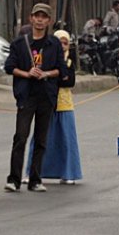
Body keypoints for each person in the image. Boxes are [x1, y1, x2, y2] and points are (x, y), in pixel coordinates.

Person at [4, 3, 66, 193]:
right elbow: (9, 67)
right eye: (36, 16)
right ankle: (14, 179)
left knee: (41, 139)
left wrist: (46, 74)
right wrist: (27, 73)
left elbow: (61, 70)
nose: (40, 20)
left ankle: (35, 179)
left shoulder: (54, 44)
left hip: (46, 96)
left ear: (49, 21)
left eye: (44, 17)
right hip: (26, 96)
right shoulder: (19, 43)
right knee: (21, 137)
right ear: (31, 18)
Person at [40, 30, 82, 184]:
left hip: (64, 104)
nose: (63, 46)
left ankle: (68, 173)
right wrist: (58, 76)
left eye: (66, 43)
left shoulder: (69, 62)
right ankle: (34, 172)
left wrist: (52, 76)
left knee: (66, 140)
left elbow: (69, 82)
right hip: (47, 103)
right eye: (60, 42)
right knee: (41, 139)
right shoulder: (46, 59)